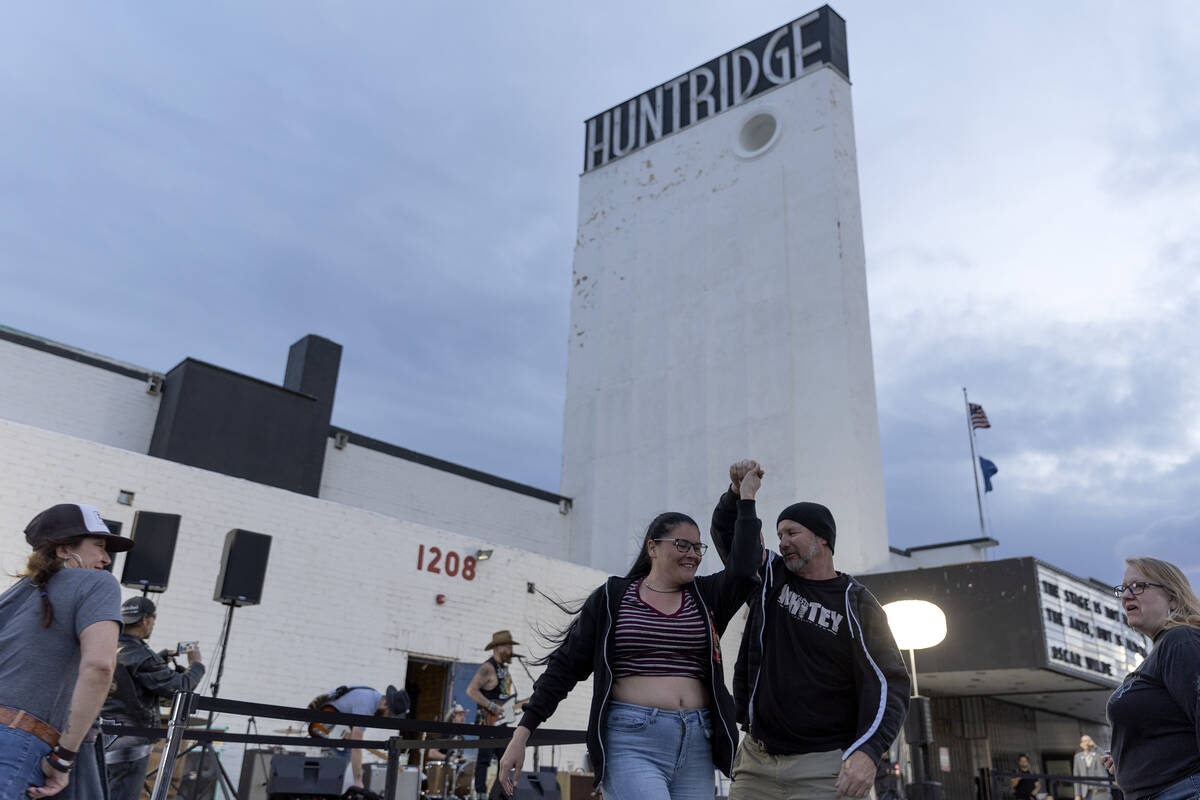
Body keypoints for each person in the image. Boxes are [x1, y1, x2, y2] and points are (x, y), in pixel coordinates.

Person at [497, 464, 764, 800]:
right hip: (631, 741)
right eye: (682, 545)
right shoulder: (613, 599)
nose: (693, 554)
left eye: (698, 548)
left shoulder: (707, 597)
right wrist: (522, 735)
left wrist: (742, 498)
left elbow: (744, 567)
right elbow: (565, 668)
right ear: (652, 547)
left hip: (698, 743)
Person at [709, 460, 910, 800]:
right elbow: (734, 542)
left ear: (822, 539)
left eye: (791, 532)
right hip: (757, 762)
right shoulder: (771, 576)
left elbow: (889, 681)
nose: (783, 542)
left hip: (824, 769)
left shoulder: (856, 602)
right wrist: (737, 496)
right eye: (778, 535)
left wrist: (869, 751)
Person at [0, 503, 131, 800]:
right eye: (98, 546)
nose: (106, 558)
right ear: (63, 550)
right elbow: (99, 667)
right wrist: (63, 759)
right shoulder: (98, 584)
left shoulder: (14, 595)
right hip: (17, 741)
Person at [1104, 556, 1200, 800]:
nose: (1126, 596)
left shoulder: (1180, 641)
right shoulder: (1159, 653)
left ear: (1173, 597)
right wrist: (1131, 754)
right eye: (1123, 589)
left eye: (1138, 586)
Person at [101, 596, 205, 800]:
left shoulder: (109, 646)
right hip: (131, 745)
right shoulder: (142, 656)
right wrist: (196, 664)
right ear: (145, 620)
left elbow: (130, 681)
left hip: (103, 737)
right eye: (153, 622)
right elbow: (180, 688)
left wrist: (158, 659)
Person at [309, 685, 409, 790]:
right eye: (390, 714)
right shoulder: (366, 705)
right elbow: (356, 745)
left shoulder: (372, 695)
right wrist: (358, 781)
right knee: (342, 761)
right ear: (385, 704)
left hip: (336, 727)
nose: (388, 718)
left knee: (341, 763)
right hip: (325, 724)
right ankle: (326, 790)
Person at [467, 630, 525, 799]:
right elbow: (471, 690)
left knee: (506, 759)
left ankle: (502, 794)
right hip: (488, 721)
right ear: (498, 647)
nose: (510, 650)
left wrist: (521, 704)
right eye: (507, 646)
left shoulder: (504, 670)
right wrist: (492, 706)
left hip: (502, 723)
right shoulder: (487, 668)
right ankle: (481, 794)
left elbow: (505, 698)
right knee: (484, 760)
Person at [1073, 735, 1111, 800]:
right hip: (1087, 794)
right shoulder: (1078, 757)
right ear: (1081, 744)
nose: (1086, 743)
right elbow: (1077, 777)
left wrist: (1095, 746)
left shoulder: (1098, 754)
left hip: (1102, 792)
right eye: (1084, 741)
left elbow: (1106, 758)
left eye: (1088, 741)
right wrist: (1077, 795)